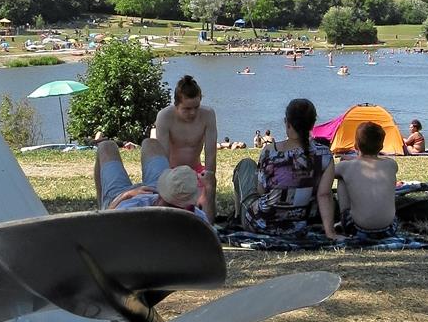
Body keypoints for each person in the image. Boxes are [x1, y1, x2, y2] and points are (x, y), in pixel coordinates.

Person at [232, 98, 337, 239]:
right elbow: (324, 195)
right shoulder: (324, 154)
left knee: (245, 165)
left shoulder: (270, 151)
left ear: (287, 123)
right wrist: (330, 233)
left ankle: (237, 216)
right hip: (298, 227)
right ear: (312, 124)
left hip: (261, 224)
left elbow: (261, 190)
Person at [93, 138, 209, 223]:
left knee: (106, 147)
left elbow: (103, 224)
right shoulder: (197, 219)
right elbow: (210, 231)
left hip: (120, 197)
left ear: (161, 198)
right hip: (162, 189)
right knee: (151, 143)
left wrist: (125, 195)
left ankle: (102, 203)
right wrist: (210, 188)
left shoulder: (131, 210)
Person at [154, 75, 218, 220]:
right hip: (171, 172)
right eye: (187, 109)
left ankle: (209, 230)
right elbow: (162, 154)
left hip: (196, 171)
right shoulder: (165, 116)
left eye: (196, 107)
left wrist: (209, 179)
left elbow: (210, 152)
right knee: (173, 214)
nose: (193, 113)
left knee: (202, 211)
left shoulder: (208, 115)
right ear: (176, 104)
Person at [335, 122, 399, 238]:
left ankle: (342, 219)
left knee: (342, 178)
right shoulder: (391, 164)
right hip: (390, 228)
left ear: (356, 145)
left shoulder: (345, 166)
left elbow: (329, 173)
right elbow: (367, 161)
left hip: (358, 230)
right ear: (381, 146)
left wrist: (346, 161)